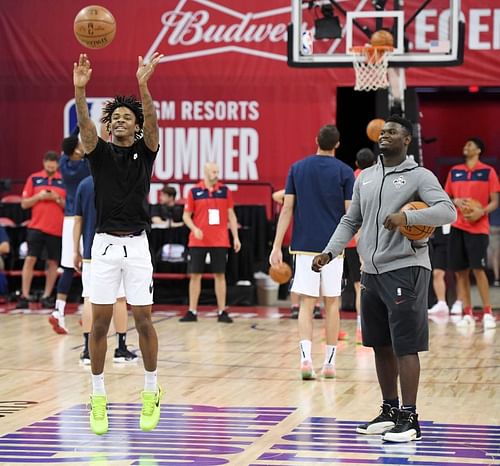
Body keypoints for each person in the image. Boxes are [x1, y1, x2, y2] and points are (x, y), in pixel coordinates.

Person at [312, 116, 456, 443]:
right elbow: (351, 220)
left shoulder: (420, 175)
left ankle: (411, 417)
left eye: (392, 132)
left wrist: (408, 217)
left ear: (406, 140)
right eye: (383, 131)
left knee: (406, 345)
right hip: (370, 271)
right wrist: (329, 252)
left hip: (406, 268)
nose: (385, 135)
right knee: (379, 343)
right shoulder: (366, 176)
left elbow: (448, 211)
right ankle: (389, 409)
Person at [74, 51, 164, 435]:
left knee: (143, 320)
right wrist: (80, 90)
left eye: (129, 116)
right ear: (108, 126)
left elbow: (154, 123)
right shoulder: (99, 154)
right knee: (99, 326)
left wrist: (143, 85)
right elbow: (84, 127)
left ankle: (151, 389)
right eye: (116, 117)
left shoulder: (146, 152)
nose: (122, 120)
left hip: (138, 245)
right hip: (105, 247)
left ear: (137, 126)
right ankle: (97, 396)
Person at [269, 124, 355, 380]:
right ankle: (329, 363)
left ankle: (306, 360)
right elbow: (350, 214)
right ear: (337, 144)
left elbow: (286, 209)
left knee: (306, 304)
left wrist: (276, 245)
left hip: (304, 246)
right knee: (332, 304)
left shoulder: (297, 168)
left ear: (316, 139)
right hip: (333, 249)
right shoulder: (345, 171)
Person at [73, 175, 138, 364]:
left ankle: (87, 350)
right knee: (119, 299)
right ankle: (121, 348)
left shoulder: (84, 184)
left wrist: (75, 249)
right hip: (116, 247)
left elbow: (78, 221)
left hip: (91, 251)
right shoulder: (120, 180)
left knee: (89, 298)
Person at [444, 138, 499, 330]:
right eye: (465, 144)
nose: (465, 147)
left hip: (478, 228)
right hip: (458, 226)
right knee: (460, 273)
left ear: (479, 150)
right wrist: (456, 201)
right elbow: (447, 196)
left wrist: (481, 211)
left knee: (479, 269)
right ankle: (467, 312)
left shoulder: (488, 172)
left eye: (469, 145)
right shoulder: (455, 171)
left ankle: (487, 312)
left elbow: (495, 201)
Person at [179, 162, 241, 323]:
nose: (216, 174)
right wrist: (194, 228)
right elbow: (186, 216)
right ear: (205, 172)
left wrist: (236, 237)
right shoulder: (194, 191)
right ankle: (192, 311)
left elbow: (231, 215)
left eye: (218, 171)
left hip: (220, 240)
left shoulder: (225, 191)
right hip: (198, 241)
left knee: (220, 275)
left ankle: (222, 311)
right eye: (214, 171)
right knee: (195, 275)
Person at [49, 131, 91, 334]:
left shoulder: (64, 164)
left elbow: (68, 143)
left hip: (67, 221)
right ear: (76, 151)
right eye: (79, 145)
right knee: (89, 265)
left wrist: (76, 131)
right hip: (84, 219)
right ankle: (87, 312)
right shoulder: (86, 165)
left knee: (67, 267)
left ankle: (59, 311)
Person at [17, 151, 66, 309]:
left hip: (56, 229)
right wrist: (39, 197)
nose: (51, 165)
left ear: (57, 164)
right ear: (44, 162)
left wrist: (58, 199)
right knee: (30, 259)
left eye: (54, 163)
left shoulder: (64, 180)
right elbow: (24, 204)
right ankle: (25, 295)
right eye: (48, 162)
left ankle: (46, 296)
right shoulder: (34, 178)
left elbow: (70, 206)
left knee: (52, 262)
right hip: (36, 227)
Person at [344, 148, 376, 344]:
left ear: (356, 163)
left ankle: (356, 329)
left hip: (349, 239)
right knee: (366, 287)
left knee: (355, 287)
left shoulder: (349, 179)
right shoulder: (375, 179)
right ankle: (363, 328)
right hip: (367, 239)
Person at [488, 206, 500, 287]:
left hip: (493, 228)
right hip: (494, 228)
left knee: (496, 255)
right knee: (496, 254)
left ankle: (497, 278)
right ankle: (496, 278)